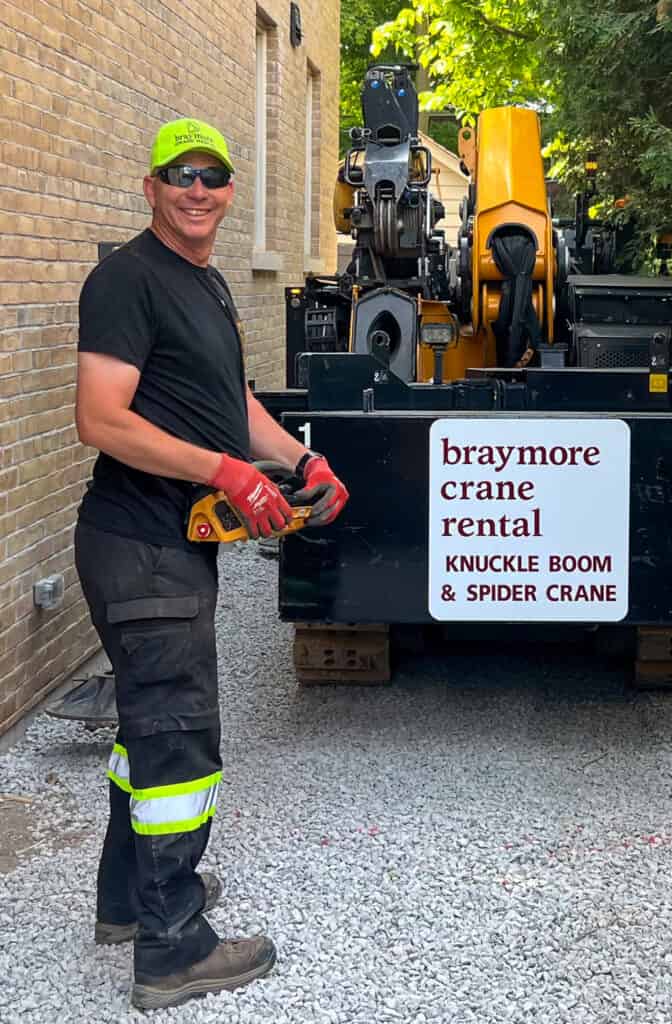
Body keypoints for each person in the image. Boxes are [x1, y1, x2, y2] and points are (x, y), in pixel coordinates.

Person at [73, 117, 349, 1011]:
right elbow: (102, 419)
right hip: (137, 546)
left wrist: (300, 459)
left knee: (148, 734)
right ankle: (174, 947)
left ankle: (128, 900)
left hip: (171, 547)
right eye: (178, 174)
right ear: (150, 188)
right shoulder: (125, 280)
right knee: (180, 743)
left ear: (230, 191)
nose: (197, 189)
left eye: (213, 175)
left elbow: (229, 402)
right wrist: (224, 470)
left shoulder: (207, 283)